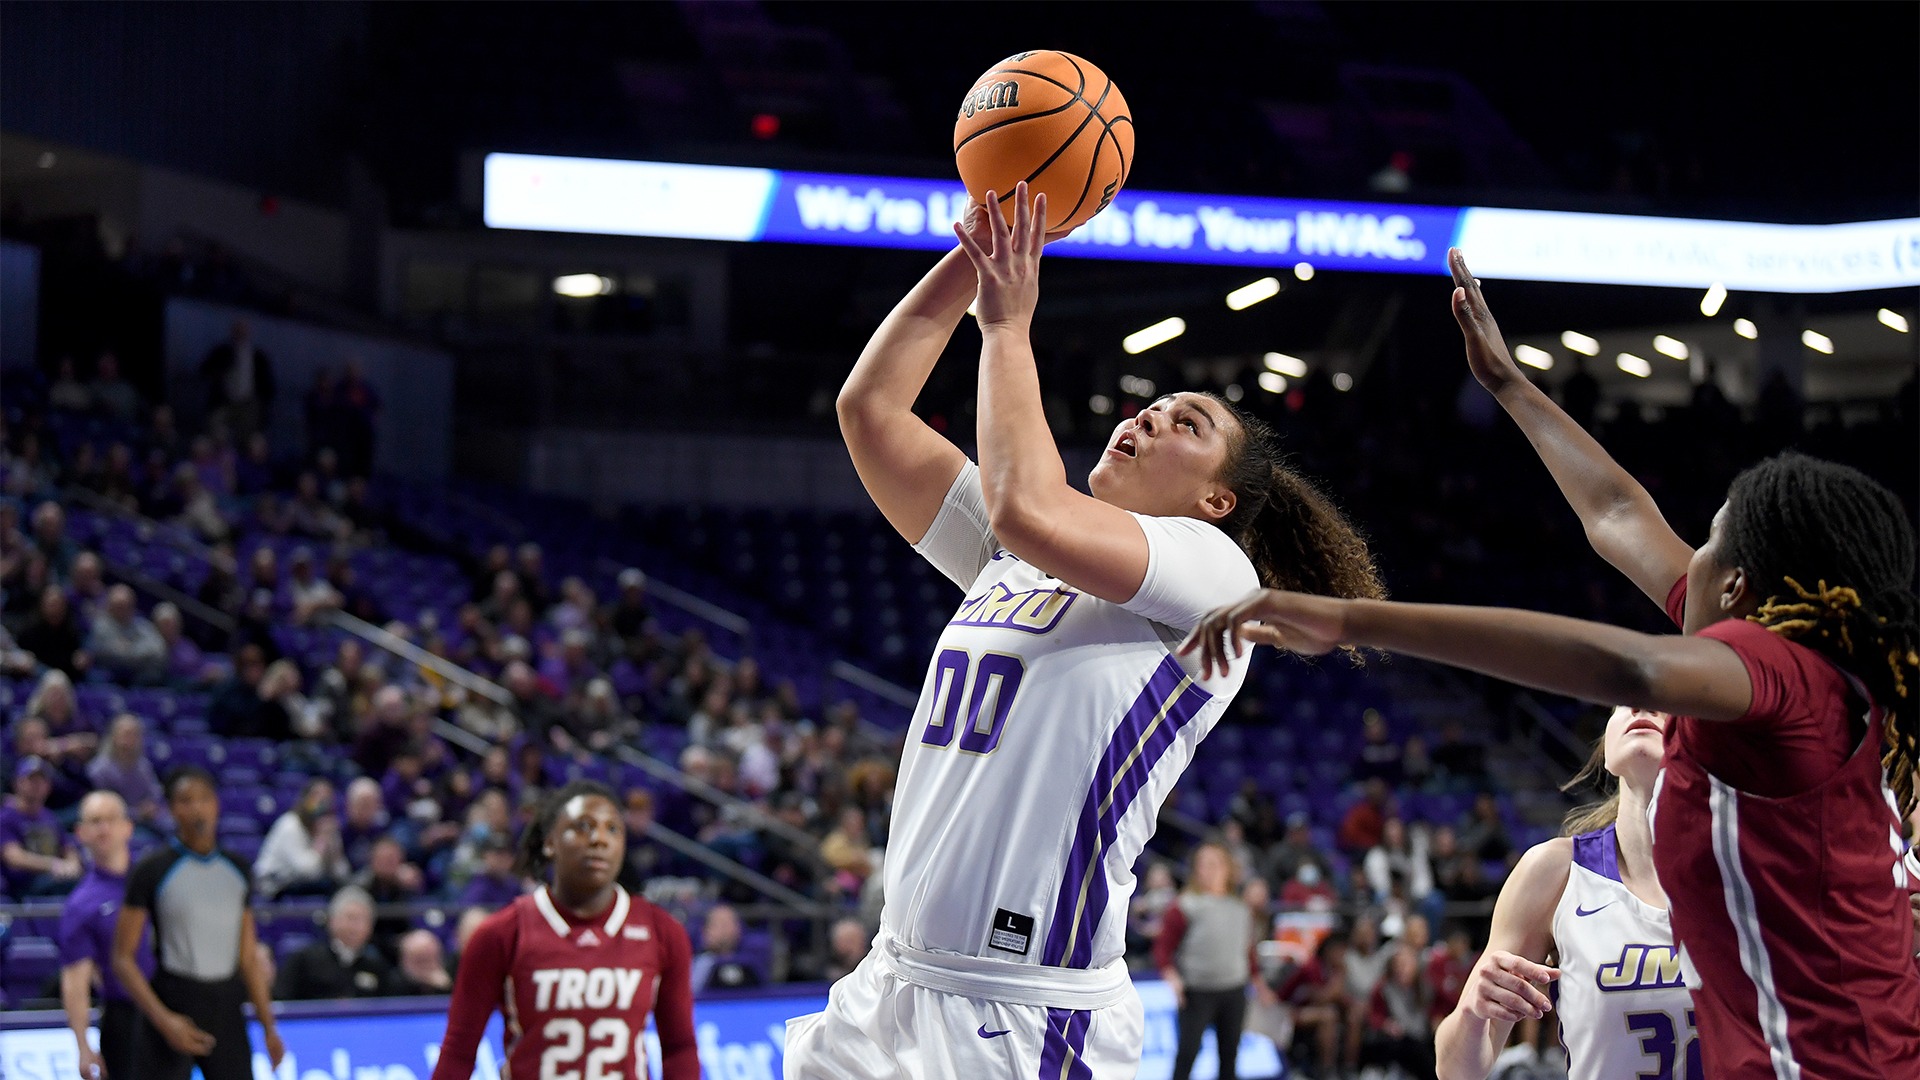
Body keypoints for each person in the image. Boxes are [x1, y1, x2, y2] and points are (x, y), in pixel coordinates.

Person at [1184, 248, 1920, 1077]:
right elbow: (1616, 514)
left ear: (1742, 587)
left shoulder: (1782, 675)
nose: (1687, 559)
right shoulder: (1789, 670)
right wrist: (1509, 383)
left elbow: (1635, 671)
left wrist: (1349, 617)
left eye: (1707, 541)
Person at [784, 185, 1383, 1078]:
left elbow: (1028, 505)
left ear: (1217, 501)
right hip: (892, 979)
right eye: (1156, 405)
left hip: (1027, 1010)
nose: (1148, 416)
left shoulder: (1215, 573)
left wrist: (1007, 321)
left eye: (1189, 423)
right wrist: (977, 261)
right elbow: (869, 411)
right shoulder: (1018, 554)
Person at [1433, 707, 1687, 1079]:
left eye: (1664, 702)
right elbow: (1455, 1072)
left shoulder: (1745, 877)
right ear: (1606, 752)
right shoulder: (1554, 872)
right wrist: (1472, 1012)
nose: (1639, 705)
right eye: (1622, 701)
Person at [430, 780, 699, 1080]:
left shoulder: (662, 931)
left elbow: (679, 1047)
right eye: (583, 826)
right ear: (549, 842)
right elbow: (459, 1050)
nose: (600, 839)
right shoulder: (501, 933)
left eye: (613, 829)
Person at [114, 765, 284, 1080]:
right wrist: (164, 1020)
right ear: (171, 809)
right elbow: (122, 958)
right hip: (173, 998)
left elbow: (247, 958)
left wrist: (269, 1027)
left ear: (217, 804)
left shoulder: (238, 870)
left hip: (227, 1005)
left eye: (204, 798)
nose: (196, 808)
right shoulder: (152, 871)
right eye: (185, 800)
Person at [58, 792, 151, 1080]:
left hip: (172, 1004)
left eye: (111, 819)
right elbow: (76, 980)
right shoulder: (81, 904)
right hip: (124, 1019)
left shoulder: (154, 880)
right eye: (95, 821)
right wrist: (83, 1046)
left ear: (128, 826)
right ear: (81, 833)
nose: (104, 829)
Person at [1153, 842, 1255, 1080]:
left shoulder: (1240, 908)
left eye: (1215, 864)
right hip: (1197, 993)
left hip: (1234, 991)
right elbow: (1163, 949)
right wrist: (1172, 978)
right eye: (1203, 864)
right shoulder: (1184, 905)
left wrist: (1259, 984)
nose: (1208, 870)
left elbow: (1248, 952)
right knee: (1187, 1055)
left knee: (1229, 1057)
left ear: (1228, 868)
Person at [274, 886, 393, 999]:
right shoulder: (303, 960)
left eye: (362, 920)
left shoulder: (377, 967)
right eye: (350, 918)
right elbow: (282, 1001)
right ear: (332, 920)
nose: (355, 927)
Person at [1, 756, 82, 895]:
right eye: (31, 779)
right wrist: (53, 865)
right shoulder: (6, 818)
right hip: (23, 887)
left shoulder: (49, 817)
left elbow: (68, 848)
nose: (37, 784)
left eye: (42, 780)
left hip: (52, 881)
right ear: (17, 783)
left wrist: (73, 865)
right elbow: (14, 857)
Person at [199, 318, 275, 439]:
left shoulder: (258, 356)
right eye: (237, 331)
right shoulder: (221, 351)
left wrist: (261, 404)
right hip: (222, 402)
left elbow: (267, 385)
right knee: (216, 432)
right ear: (232, 333)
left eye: (243, 332)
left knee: (247, 438)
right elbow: (204, 370)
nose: (240, 335)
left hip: (248, 404)